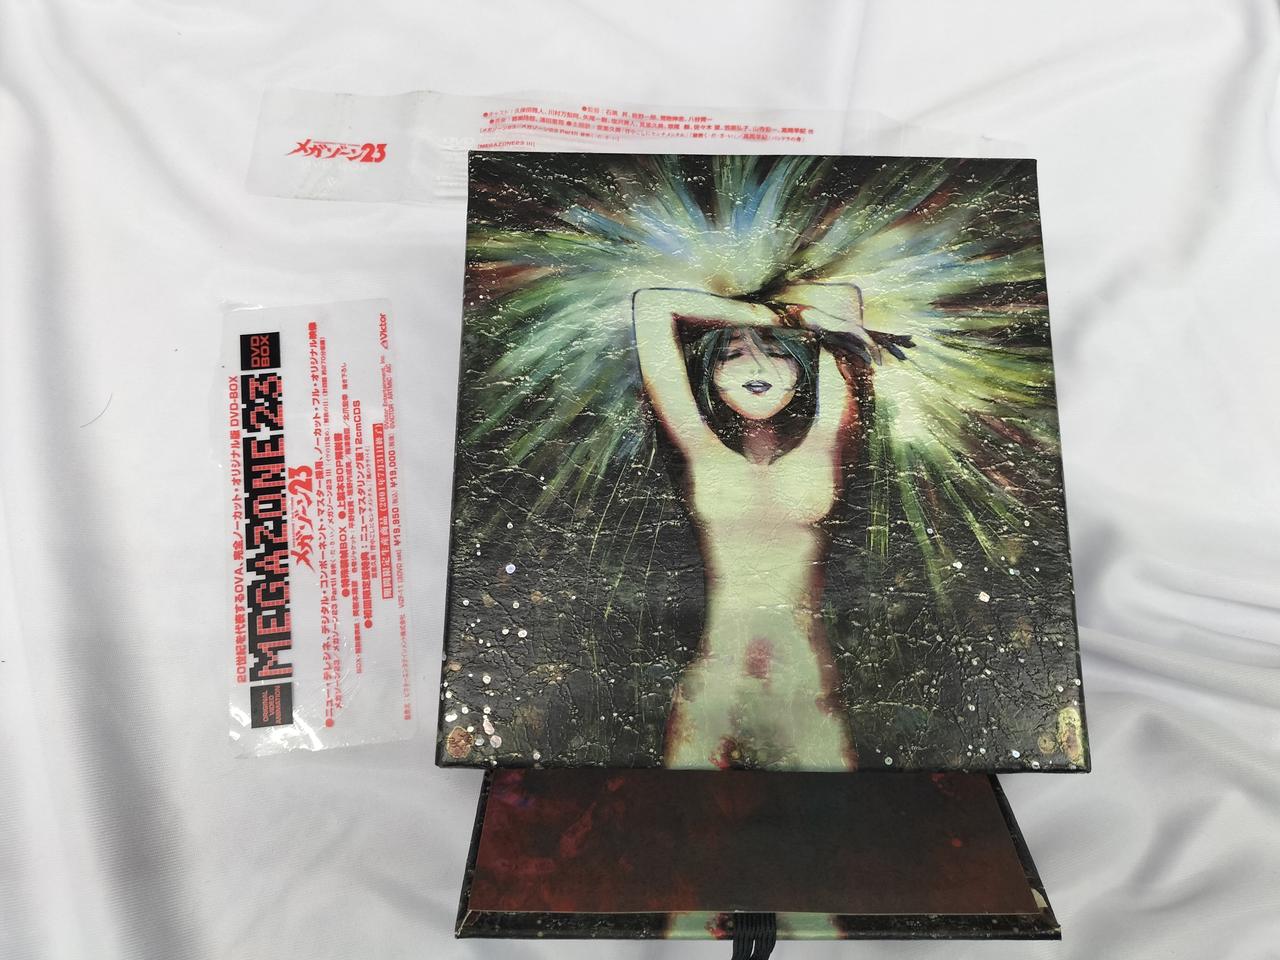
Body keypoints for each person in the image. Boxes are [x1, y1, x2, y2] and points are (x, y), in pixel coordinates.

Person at [632, 282, 909, 771]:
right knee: (682, 816)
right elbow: (651, 305)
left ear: (802, 369)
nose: (757, 369)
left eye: (778, 354)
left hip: (803, 687)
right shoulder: (697, 444)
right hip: (714, 689)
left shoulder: (828, 436)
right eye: (733, 355)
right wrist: (776, 317)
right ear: (711, 374)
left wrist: (795, 319)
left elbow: (843, 301)